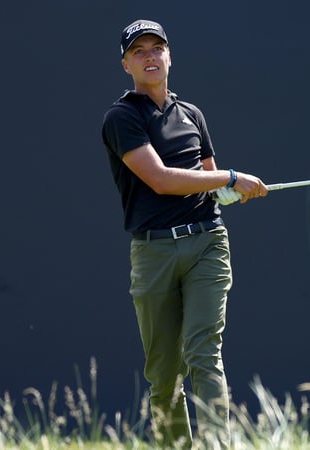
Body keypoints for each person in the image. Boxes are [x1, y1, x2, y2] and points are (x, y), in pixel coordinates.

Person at [101, 19, 265, 447]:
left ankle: (217, 445)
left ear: (170, 56)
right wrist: (233, 177)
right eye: (140, 51)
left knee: (203, 353)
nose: (150, 56)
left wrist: (230, 190)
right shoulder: (122, 117)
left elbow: (207, 180)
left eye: (157, 48)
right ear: (126, 64)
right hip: (153, 251)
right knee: (164, 372)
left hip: (207, 242)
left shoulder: (192, 114)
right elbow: (160, 179)